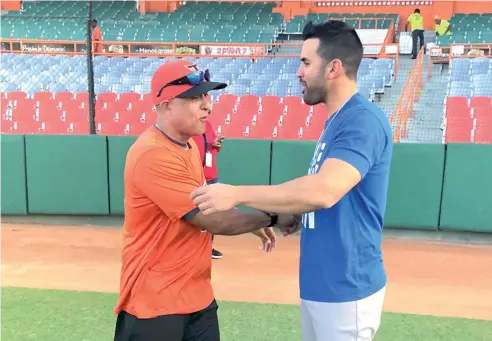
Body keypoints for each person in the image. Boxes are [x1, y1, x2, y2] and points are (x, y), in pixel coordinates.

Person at [190, 20, 394, 341]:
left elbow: (325, 190)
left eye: (306, 62)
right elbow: (332, 195)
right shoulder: (337, 121)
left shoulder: (361, 121)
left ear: (333, 68)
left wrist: (236, 194)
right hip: (322, 284)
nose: (299, 72)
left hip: (346, 287)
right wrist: (296, 213)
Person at [112, 59, 300, 341]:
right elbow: (211, 218)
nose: (207, 105)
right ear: (166, 105)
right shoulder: (152, 153)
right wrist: (272, 216)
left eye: (207, 95)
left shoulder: (188, 145)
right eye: (194, 97)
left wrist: (249, 221)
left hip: (196, 296)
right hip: (155, 302)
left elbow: (208, 201)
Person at [191, 119, 224, 259]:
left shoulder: (208, 125)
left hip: (211, 175)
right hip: (195, 176)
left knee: (212, 212)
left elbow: (213, 147)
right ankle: (192, 247)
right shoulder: (188, 125)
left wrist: (217, 145)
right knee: (194, 214)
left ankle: (208, 246)